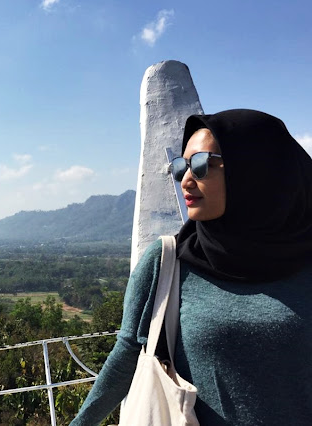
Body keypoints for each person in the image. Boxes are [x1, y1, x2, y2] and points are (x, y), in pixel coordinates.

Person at [71, 109, 312, 425]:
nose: (185, 180)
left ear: (256, 169)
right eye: (181, 166)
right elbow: (126, 356)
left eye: (201, 165)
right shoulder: (169, 261)